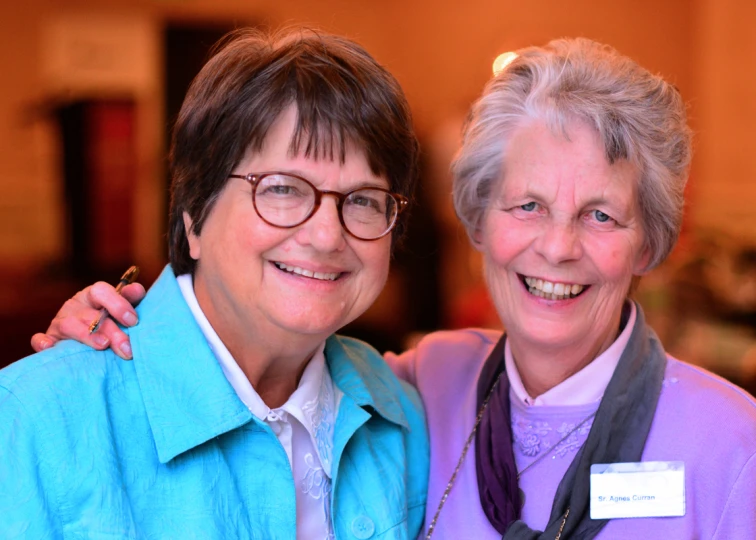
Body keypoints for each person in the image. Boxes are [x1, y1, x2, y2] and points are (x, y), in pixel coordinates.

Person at [30, 38, 756, 539]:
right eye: (527, 205)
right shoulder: (423, 386)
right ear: (478, 222)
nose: (558, 246)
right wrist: (118, 329)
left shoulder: (733, 443)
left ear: (651, 240)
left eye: (601, 215)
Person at [1, 28, 429, 538]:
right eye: (283, 189)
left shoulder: (397, 411)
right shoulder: (33, 419)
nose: (326, 235)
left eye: (361, 199)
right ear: (193, 217)